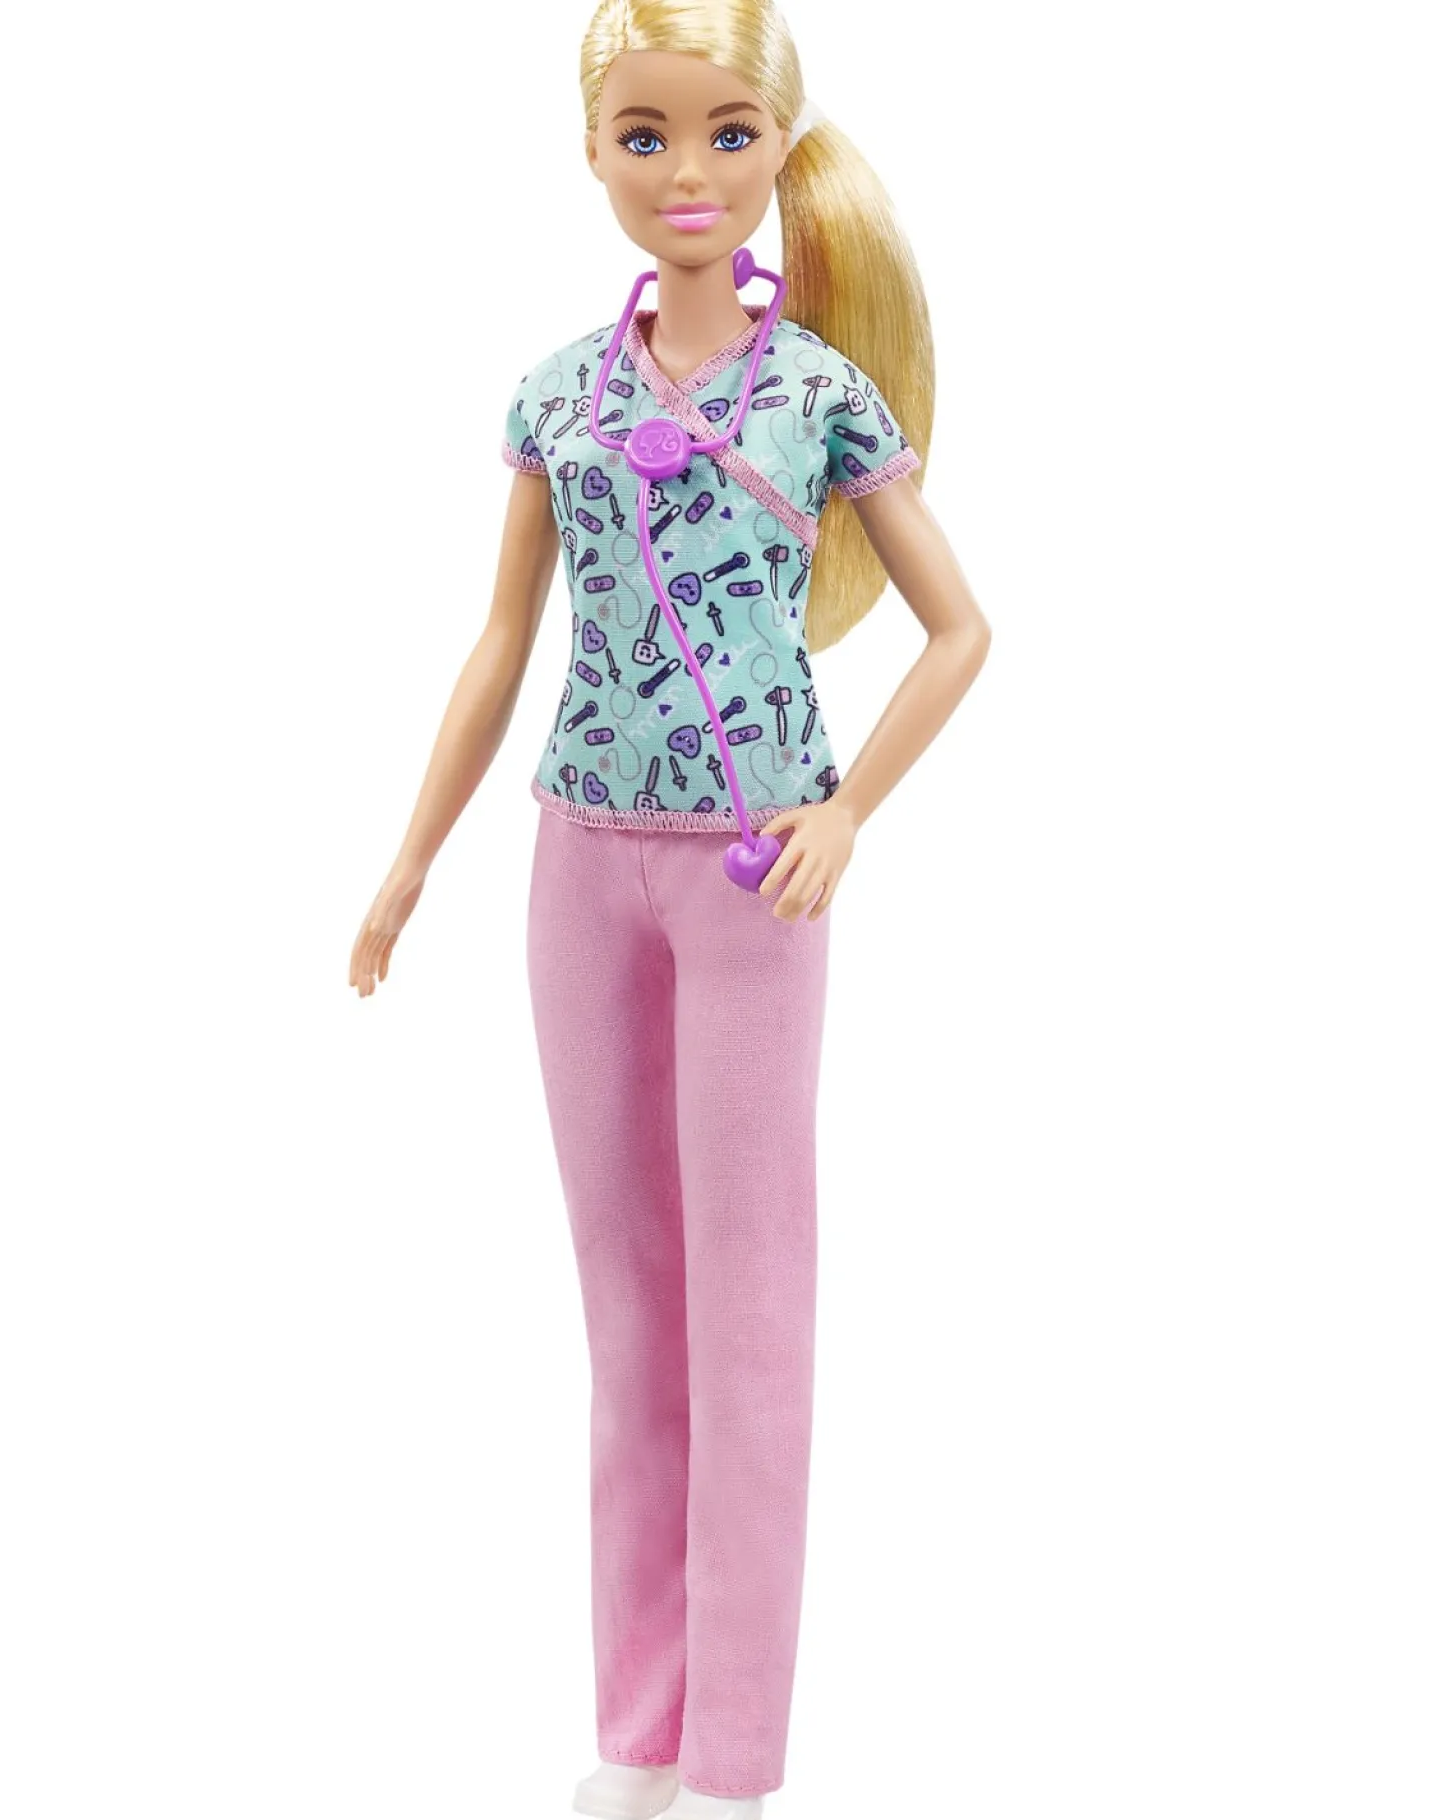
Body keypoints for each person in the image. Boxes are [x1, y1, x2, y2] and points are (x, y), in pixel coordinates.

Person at [350, 4, 992, 1814]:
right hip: (579, 863)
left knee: (752, 1306)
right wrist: (411, 858)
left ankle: (734, 1761)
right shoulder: (559, 394)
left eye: (724, 134)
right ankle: (637, 1735)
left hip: (749, 873)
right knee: (628, 1308)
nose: (685, 171)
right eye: (645, 135)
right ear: (592, 152)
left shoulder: (819, 394)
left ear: (780, 146)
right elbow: (500, 644)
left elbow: (962, 630)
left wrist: (846, 813)